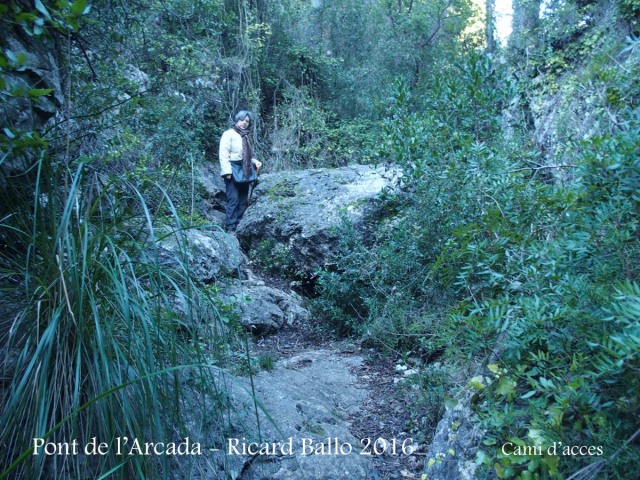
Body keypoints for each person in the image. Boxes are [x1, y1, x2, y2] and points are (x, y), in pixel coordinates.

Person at [218, 110, 262, 232]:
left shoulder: (245, 136)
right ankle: (230, 227)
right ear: (237, 120)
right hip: (232, 169)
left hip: (245, 170)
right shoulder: (228, 134)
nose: (244, 123)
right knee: (233, 199)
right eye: (242, 120)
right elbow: (223, 153)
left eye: (247, 121)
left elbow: (246, 155)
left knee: (243, 199)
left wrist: (254, 161)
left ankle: (239, 225)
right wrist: (227, 171)